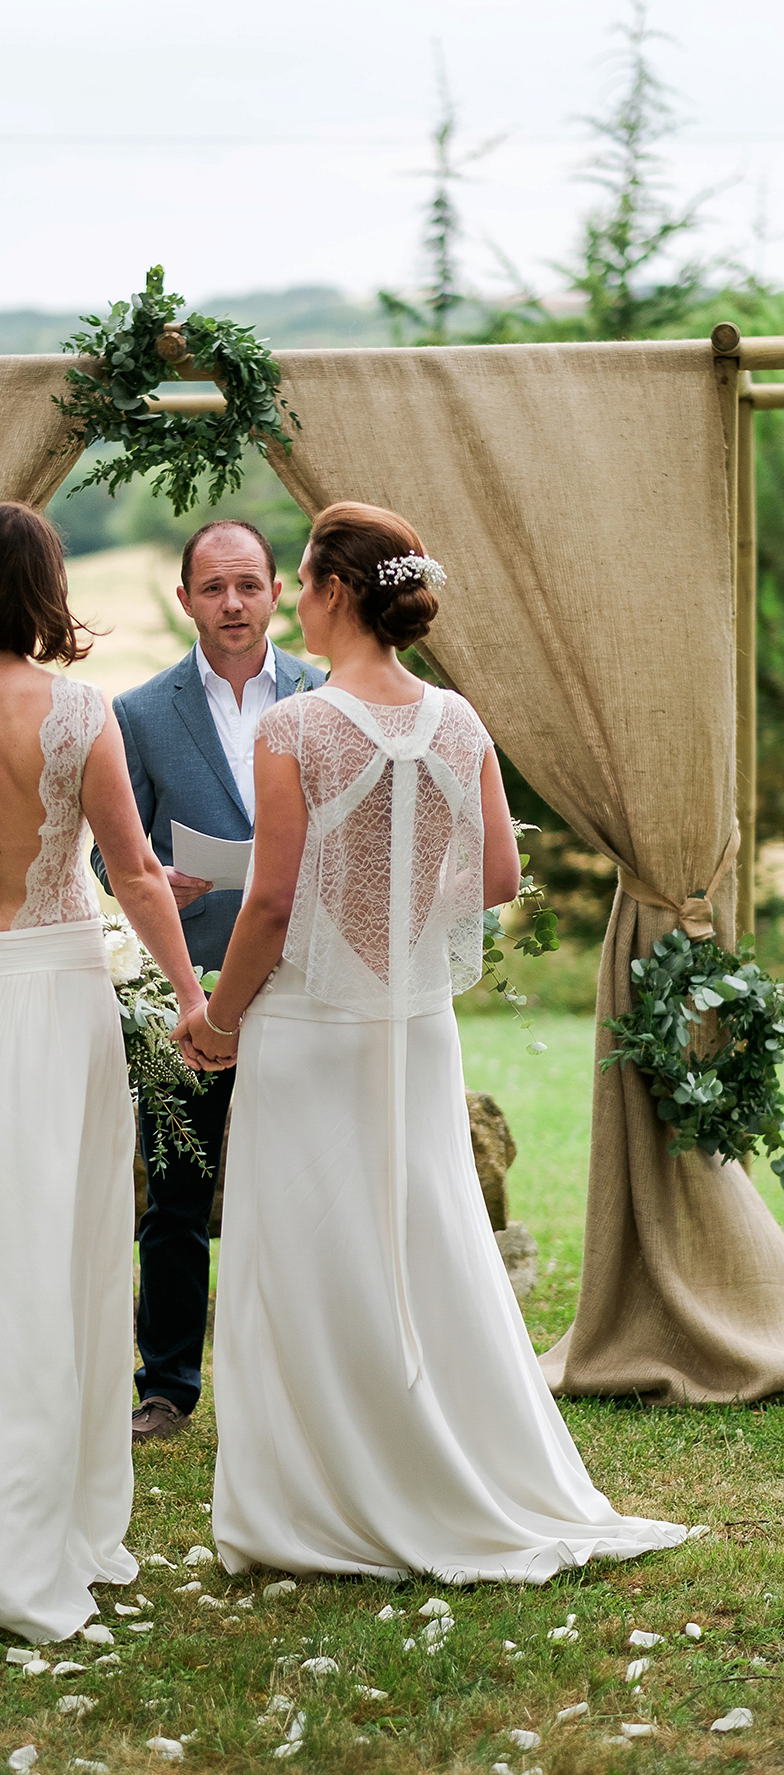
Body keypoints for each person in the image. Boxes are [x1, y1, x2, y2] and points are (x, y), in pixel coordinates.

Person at [181, 501, 686, 1584]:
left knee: (311, 1256)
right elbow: (500, 876)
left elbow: (268, 906)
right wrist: (397, 913)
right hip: (413, 1028)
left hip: (313, 1031)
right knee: (426, 1239)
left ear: (331, 593)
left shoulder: (294, 731)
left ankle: (322, 1496)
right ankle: (446, 1463)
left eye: (302, 583)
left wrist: (218, 1022)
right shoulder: (459, 721)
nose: (293, 603)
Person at [0, 502, 219, 1644]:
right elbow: (141, 877)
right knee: (56, 1241)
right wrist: (195, 1001)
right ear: (45, 592)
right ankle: (36, 1514)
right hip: (61, 995)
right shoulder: (78, 712)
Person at [91, 519, 323, 1441]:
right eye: (213, 588)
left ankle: (303, 1377)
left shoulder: (325, 694)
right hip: (189, 987)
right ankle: (169, 1387)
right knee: (178, 1192)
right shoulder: (139, 715)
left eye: (249, 586)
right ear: (184, 599)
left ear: (277, 594)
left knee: (307, 1182)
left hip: (305, 980)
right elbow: (111, 859)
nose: (233, 604)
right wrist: (152, 873)